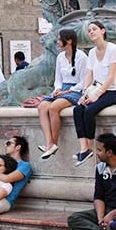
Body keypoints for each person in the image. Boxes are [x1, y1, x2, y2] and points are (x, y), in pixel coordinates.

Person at [72, 21, 116, 166]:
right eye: (89, 30)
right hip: (96, 90)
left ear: (102, 31)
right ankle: (84, 148)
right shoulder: (91, 52)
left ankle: (90, 147)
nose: (91, 32)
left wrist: (97, 95)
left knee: (89, 111)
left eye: (94, 29)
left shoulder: (112, 48)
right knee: (78, 109)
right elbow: (89, 74)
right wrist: (84, 94)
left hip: (114, 91)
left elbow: (112, 76)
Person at [37, 28, 88, 159]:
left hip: (76, 90)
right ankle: (49, 143)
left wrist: (68, 90)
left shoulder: (81, 57)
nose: (58, 42)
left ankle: (54, 143)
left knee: (54, 107)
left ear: (69, 41)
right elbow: (58, 79)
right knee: (42, 106)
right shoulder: (60, 57)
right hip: (62, 88)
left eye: (60, 39)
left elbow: (84, 80)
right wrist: (57, 90)